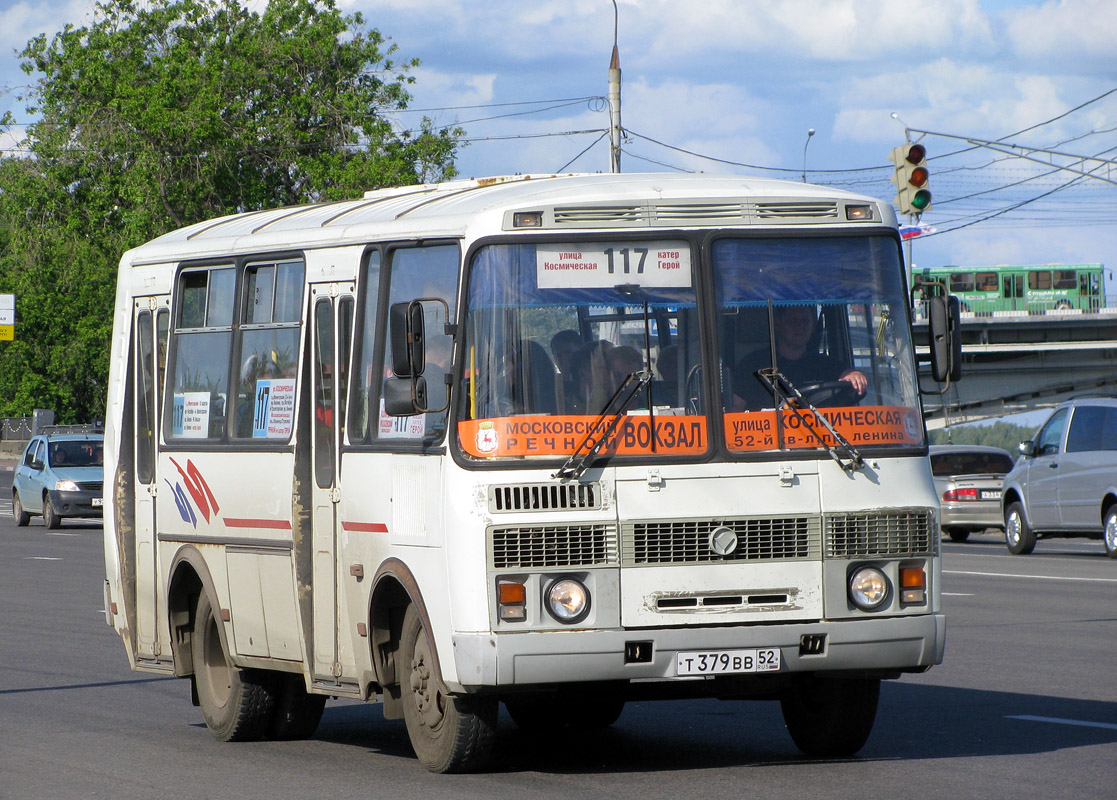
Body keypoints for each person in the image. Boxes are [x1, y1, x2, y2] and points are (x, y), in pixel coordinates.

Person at [733, 305, 867, 410]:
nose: (800, 326)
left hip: (824, 440)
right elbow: (735, 408)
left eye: (805, 321)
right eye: (793, 321)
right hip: (770, 443)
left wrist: (855, 375)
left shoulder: (826, 364)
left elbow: (848, 374)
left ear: (812, 327)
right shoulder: (752, 366)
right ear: (777, 324)